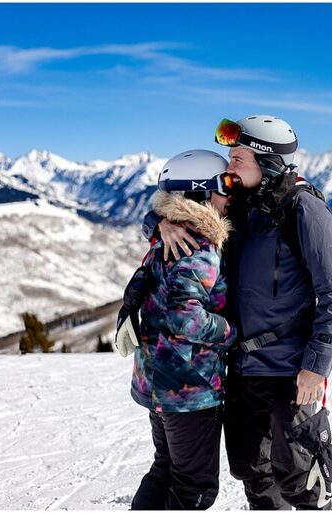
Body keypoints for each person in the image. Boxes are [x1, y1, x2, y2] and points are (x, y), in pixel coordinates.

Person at [142, 115, 332, 509]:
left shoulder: (303, 209)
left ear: (268, 163)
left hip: (288, 370)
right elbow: (188, 206)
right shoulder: (241, 205)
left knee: (301, 477)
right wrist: (161, 223)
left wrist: (317, 366)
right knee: (251, 468)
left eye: (238, 158)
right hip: (241, 369)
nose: (229, 166)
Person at [114, 149, 237, 510]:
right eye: (223, 188)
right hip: (190, 388)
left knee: (165, 469)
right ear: (200, 192)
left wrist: (158, 222)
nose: (229, 197)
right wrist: (232, 331)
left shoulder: (167, 236)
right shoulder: (199, 248)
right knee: (194, 490)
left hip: (158, 381)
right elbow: (186, 319)